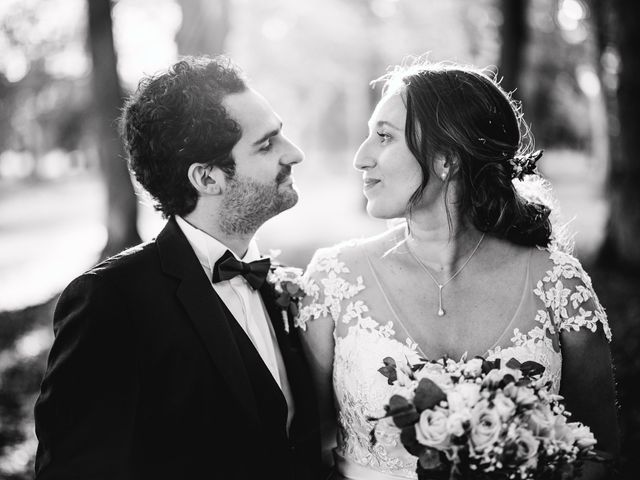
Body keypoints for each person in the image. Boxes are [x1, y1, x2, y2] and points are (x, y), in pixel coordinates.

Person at [298, 59, 619, 479]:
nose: (362, 158)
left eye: (384, 137)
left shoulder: (559, 285)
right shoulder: (334, 279)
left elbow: (598, 454)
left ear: (446, 160)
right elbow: (304, 448)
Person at [34, 55, 320, 480]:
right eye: (267, 144)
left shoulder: (281, 284)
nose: (293, 153)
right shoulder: (111, 301)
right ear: (206, 178)